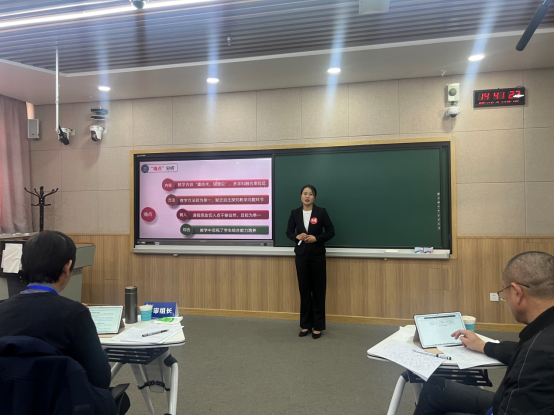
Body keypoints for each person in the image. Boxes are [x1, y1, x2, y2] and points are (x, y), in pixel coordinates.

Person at [414, 251, 554, 415]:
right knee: (434, 388)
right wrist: (482, 345)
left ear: (517, 292)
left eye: (504, 292)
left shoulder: (538, 355)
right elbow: (518, 351)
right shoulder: (541, 339)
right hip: (507, 403)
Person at [0, 231, 112, 390]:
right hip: (62, 400)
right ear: (67, 267)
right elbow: (100, 379)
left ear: (23, 266)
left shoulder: (2, 309)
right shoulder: (74, 314)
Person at [286, 185, 335, 339]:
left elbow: (331, 231)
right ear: (301, 196)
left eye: (311, 194)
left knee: (318, 290)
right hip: (301, 255)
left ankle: (318, 326)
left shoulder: (321, 212)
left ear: (315, 197)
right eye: (305, 193)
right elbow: (288, 232)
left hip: (317, 255)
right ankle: (306, 324)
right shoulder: (295, 213)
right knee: (304, 289)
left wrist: (317, 238)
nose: (307, 196)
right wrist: (296, 237)